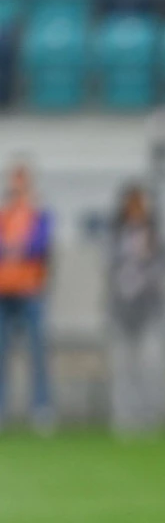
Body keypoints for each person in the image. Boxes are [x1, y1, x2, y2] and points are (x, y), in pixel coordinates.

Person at [105, 183, 165, 436]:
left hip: (149, 310)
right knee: (122, 367)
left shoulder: (156, 236)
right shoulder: (115, 236)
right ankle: (124, 417)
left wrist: (147, 263)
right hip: (121, 311)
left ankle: (149, 415)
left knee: (150, 365)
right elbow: (109, 268)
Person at [0, 161, 53, 432]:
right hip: (4, 293)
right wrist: (15, 249)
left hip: (31, 293)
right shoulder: (4, 216)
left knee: (37, 353)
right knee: (1, 354)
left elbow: (38, 246)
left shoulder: (39, 215)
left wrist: (16, 249)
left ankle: (41, 407)